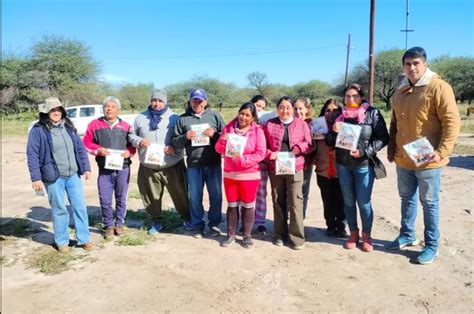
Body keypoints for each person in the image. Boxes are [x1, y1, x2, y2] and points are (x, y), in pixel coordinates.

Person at [386, 47, 460, 264]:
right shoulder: (400, 91)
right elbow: (394, 123)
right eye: (408, 64)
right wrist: (392, 148)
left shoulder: (438, 87)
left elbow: (452, 122)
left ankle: (431, 245)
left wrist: (441, 152)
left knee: (429, 202)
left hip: (429, 159)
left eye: (416, 63)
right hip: (404, 158)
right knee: (406, 198)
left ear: (425, 64)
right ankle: (407, 235)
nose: (412, 68)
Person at [326, 84, 389, 252]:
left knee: (363, 202)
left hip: (363, 166)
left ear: (361, 97)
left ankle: (367, 235)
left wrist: (363, 152)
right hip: (343, 165)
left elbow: (383, 138)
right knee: (348, 201)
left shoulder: (372, 113)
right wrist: (333, 131)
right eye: (347, 96)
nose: (351, 99)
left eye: (354, 96)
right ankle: (353, 233)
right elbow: (330, 142)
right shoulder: (339, 116)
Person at [27, 97, 94, 252]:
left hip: (73, 175)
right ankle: (62, 242)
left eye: (58, 109)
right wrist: (35, 177)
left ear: (62, 112)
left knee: (79, 207)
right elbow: (32, 154)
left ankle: (84, 239)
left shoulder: (69, 127)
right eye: (52, 110)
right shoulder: (38, 130)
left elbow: (79, 148)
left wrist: (86, 168)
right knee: (59, 209)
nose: (56, 112)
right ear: (46, 112)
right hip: (53, 177)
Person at [129, 89, 191, 235]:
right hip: (148, 165)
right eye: (154, 100)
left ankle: (187, 218)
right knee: (150, 196)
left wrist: (174, 148)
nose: (157, 103)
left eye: (160, 100)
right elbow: (131, 136)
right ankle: (156, 221)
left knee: (180, 194)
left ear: (166, 101)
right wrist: (139, 141)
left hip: (172, 164)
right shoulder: (140, 118)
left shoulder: (175, 118)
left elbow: (182, 138)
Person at [172, 88, 225, 238]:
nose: (197, 103)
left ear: (205, 102)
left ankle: (214, 224)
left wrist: (214, 135)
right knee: (195, 196)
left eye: (200, 101)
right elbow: (174, 143)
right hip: (194, 164)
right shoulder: (182, 119)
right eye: (194, 100)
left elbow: (226, 137)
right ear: (190, 102)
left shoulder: (215, 116)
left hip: (213, 163)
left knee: (216, 196)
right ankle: (197, 225)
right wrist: (185, 137)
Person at [83, 96, 136, 239]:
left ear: (118, 110)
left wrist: (129, 153)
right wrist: (97, 150)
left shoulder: (126, 126)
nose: (109, 109)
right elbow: (86, 142)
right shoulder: (94, 124)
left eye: (113, 106)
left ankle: (119, 223)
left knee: (121, 197)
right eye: (107, 106)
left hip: (123, 167)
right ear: (103, 108)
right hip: (104, 168)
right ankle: (108, 225)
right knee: (105, 198)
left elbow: (132, 145)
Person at [215, 102, 266, 248]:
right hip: (230, 174)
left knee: (248, 206)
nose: (243, 117)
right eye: (241, 113)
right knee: (232, 205)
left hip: (249, 175)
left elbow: (261, 153)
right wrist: (223, 141)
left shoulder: (258, 131)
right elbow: (218, 149)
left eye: (247, 115)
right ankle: (231, 234)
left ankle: (246, 235)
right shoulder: (229, 128)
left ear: (253, 117)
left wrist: (243, 160)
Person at [264, 96, 312, 250]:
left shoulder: (301, 124)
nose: (285, 110)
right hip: (275, 168)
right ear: (277, 109)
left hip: (296, 167)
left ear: (292, 109)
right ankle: (279, 234)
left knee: (296, 202)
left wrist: (297, 150)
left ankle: (296, 238)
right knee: (278, 201)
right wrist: (269, 153)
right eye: (281, 107)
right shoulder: (270, 124)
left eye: (288, 107)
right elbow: (262, 145)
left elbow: (309, 144)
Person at [313, 99, 346, 237]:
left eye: (335, 110)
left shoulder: (346, 126)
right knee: (327, 200)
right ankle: (330, 225)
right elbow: (312, 146)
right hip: (323, 170)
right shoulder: (317, 127)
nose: (331, 113)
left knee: (341, 200)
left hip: (341, 171)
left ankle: (342, 226)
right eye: (328, 110)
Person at [252, 95, 273, 235]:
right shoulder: (243, 119)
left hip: (264, 161)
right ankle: (244, 221)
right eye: (258, 105)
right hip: (248, 162)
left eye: (263, 107)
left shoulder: (268, 121)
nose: (260, 109)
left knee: (261, 192)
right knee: (245, 194)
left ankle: (260, 222)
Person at [293, 97, 314, 219]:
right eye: (295, 108)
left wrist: (298, 149)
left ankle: (300, 221)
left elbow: (313, 145)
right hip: (288, 164)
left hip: (306, 164)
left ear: (307, 109)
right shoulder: (288, 123)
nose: (298, 111)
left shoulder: (312, 124)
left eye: (300, 108)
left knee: (302, 194)